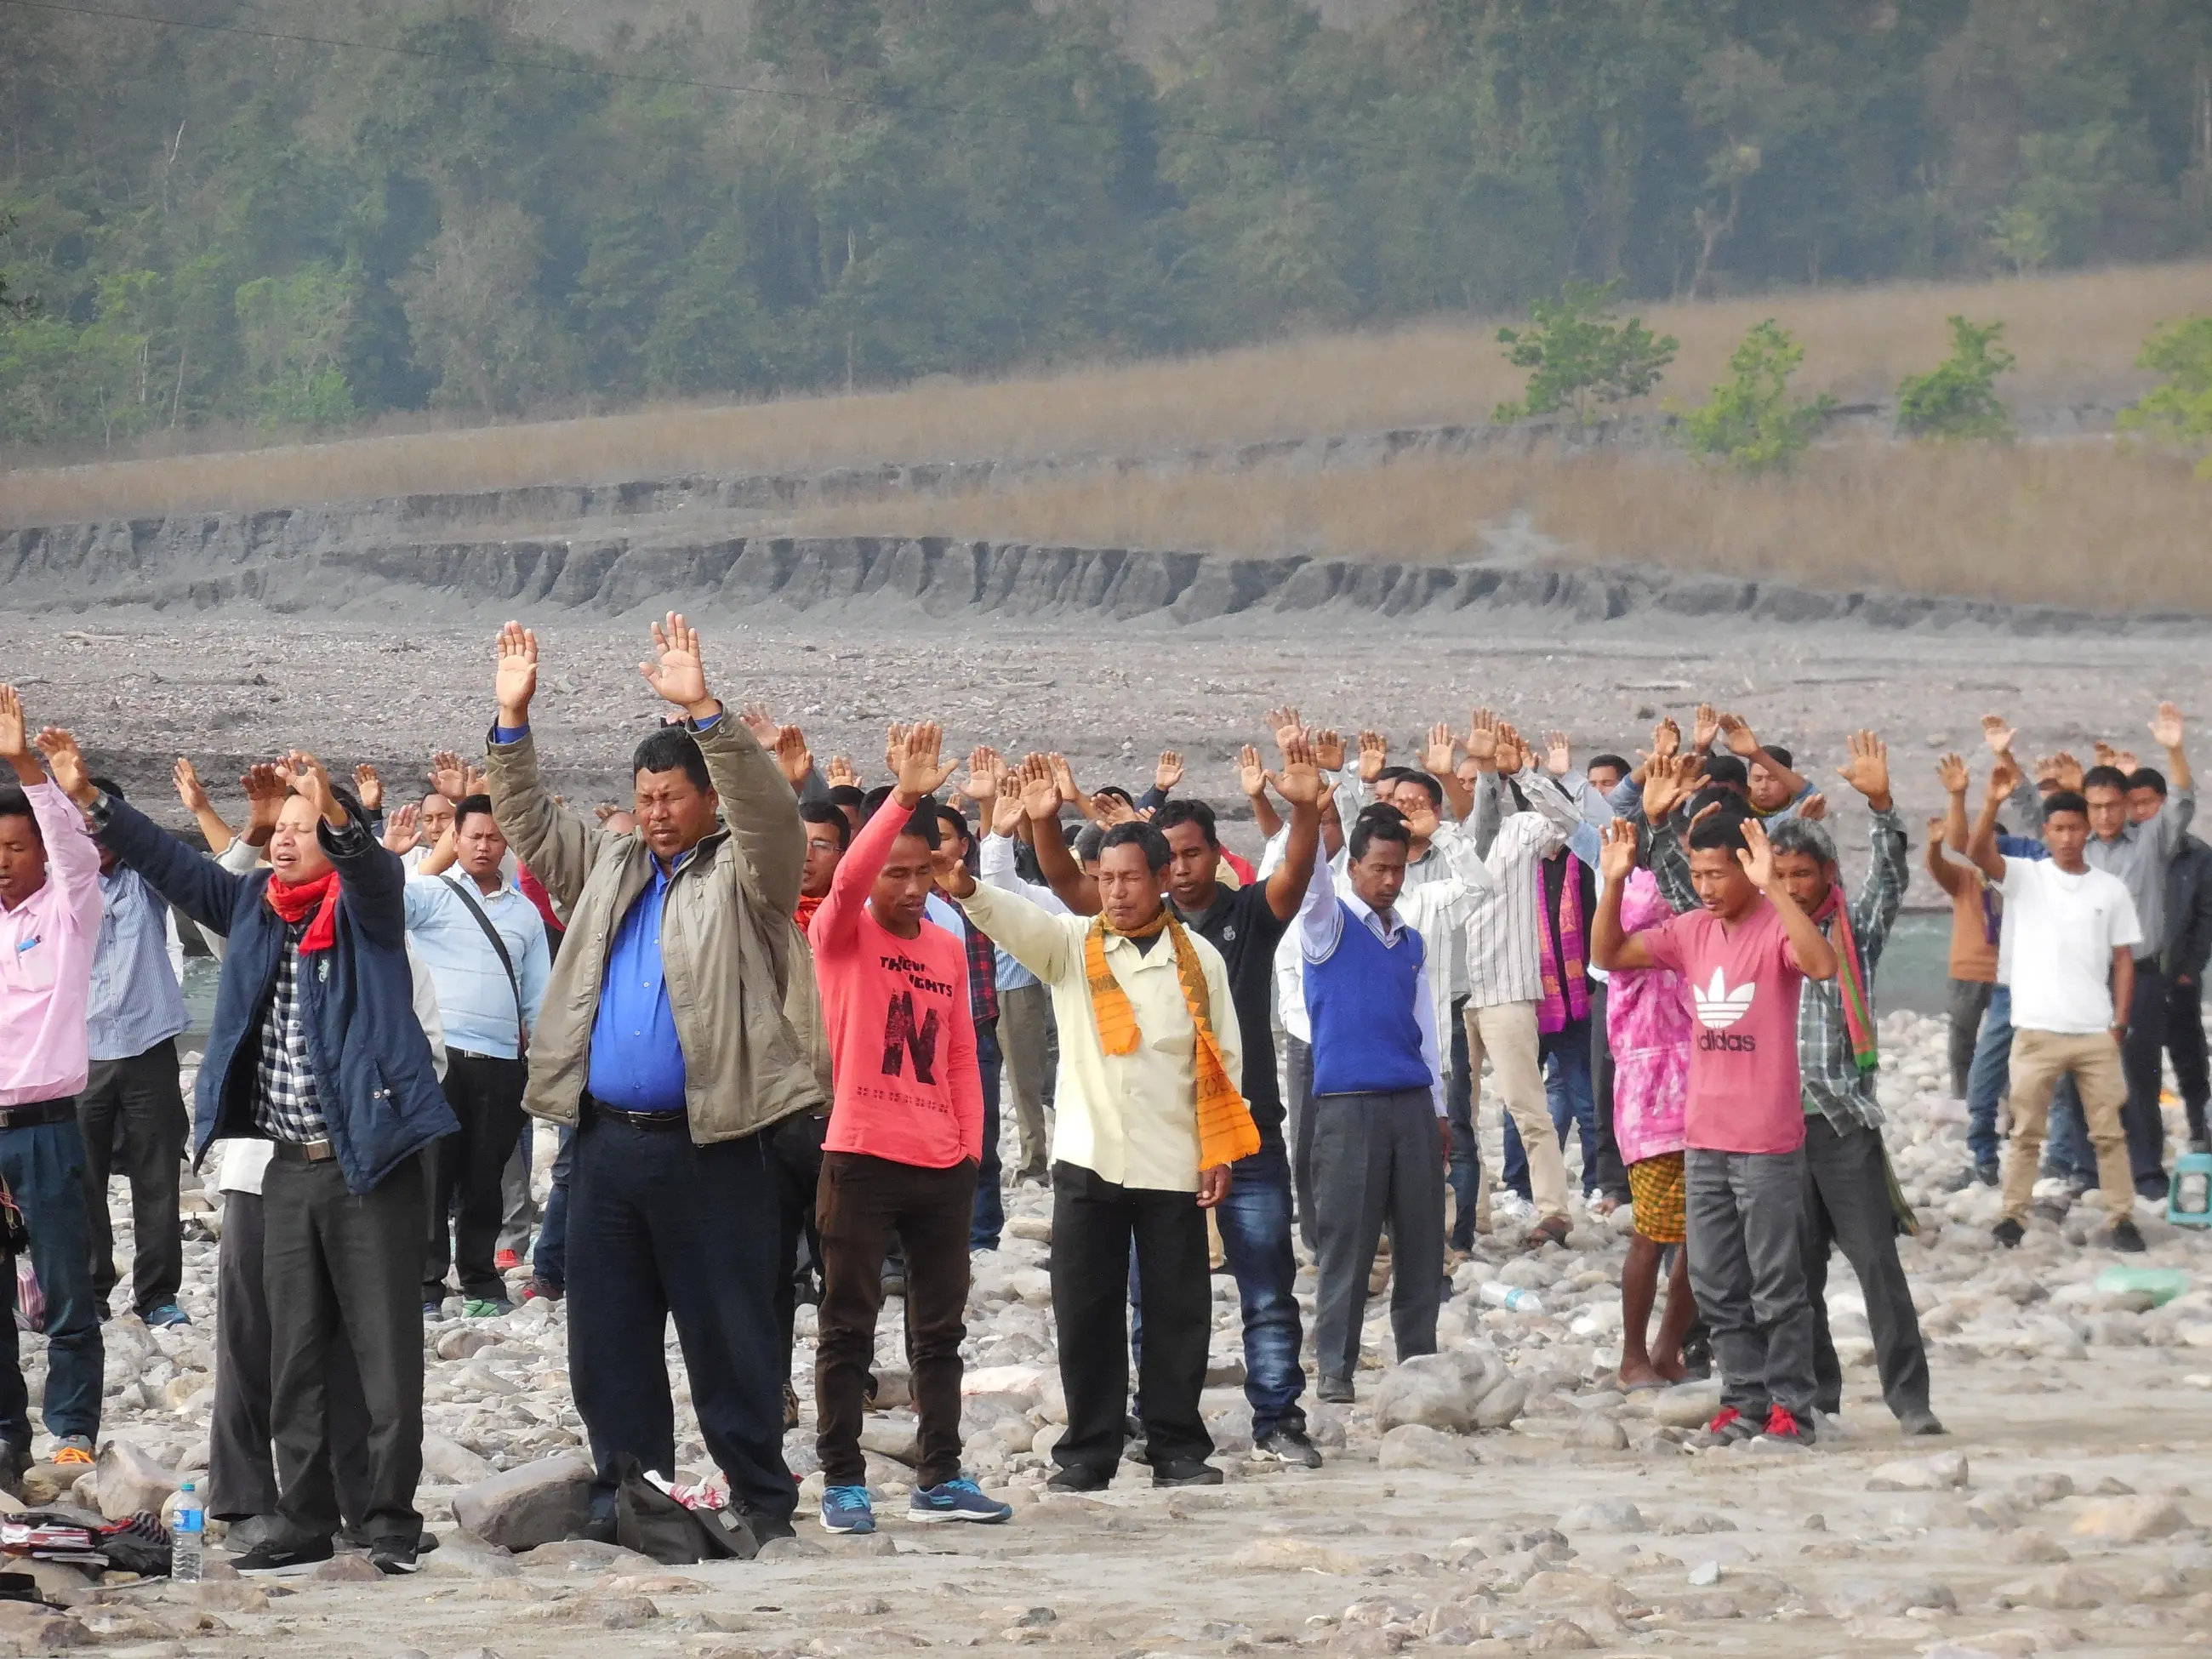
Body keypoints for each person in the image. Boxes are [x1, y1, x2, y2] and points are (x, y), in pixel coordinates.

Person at [78, 736, 453, 1575]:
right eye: (280, 827)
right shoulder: (254, 907)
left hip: (368, 1166)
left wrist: (339, 813)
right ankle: (305, 1517)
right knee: (294, 1355)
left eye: (301, 827)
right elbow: (171, 867)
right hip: (285, 1166)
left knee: (384, 1356)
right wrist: (95, 803)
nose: (283, 839)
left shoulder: (368, 917)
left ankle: (389, 1521)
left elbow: (374, 874)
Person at [482, 613, 818, 1543]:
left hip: (714, 1145)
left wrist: (706, 711)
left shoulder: (749, 875)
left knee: (730, 1336)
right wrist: (512, 721)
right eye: (645, 797)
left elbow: (771, 814)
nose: (658, 811)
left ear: (707, 799)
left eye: (673, 796)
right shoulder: (611, 862)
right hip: (605, 1146)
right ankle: (633, 1495)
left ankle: (761, 1500)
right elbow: (525, 819)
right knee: (608, 1337)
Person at [938, 774, 1254, 1493]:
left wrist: (1219, 1151)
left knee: (1177, 1312)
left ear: (1161, 880)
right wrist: (968, 888)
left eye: (1128, 878)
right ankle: (1088, 1452)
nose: (1115, 892)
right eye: (1105, 879)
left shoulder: (1198, 961)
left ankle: (1177, 1447)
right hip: (1088, 1160)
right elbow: (1014, 921)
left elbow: (1223, 1061)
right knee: (1086, 1314)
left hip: (1173, 1160)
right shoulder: (1072, 946)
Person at [807, 721, 1008, 1535]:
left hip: (939, 1164)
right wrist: (902, 797)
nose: (915, 887)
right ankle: (843, 1480)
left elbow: (961, 1051)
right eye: (898, 873)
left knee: (939, 1331)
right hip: (859, 1153)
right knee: (847, 1324)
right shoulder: (840, 931)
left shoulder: (946, 949)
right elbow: (848, 877)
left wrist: (969, 1149)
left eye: (924, 872)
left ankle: (941, 1474)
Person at [1593, 811, 1839, 1447]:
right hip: (1702, 1137)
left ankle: (1792, 1408)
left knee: (1777, 1283)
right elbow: (1609, 955)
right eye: (1697, 874)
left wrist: (1774, 887)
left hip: (1767, 1140)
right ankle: (1743, 1401)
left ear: (1746, 869)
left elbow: (1822, 966)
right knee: (1715, 1282)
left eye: (1717, 874)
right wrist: (1614, 882)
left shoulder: (1775, 925)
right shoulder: (1690, 931)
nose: (1704, 887)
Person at [1764, 733, 1942, 1438]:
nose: (1792, 887)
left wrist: (1882, 806)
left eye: (1803, 875)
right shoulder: (1760, 935)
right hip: (1776, 1131)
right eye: (1781, 875)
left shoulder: (1853, 932)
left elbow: (1891, 880)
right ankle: (1819, 1400)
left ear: (1826, 875)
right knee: (1797, 1276)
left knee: (1877, 1266)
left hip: (1842, 1126)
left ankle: (1910, 1400)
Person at [1964, 761, 2146, 1251]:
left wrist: (2119, 1021)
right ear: (2045, 832)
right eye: (2059, 829)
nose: (2067, 838)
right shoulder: (2026, 877)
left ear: (2088, 830)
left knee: (2108, 1131)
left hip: (2093, 1031)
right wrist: (1991, 801)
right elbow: (1977, 851)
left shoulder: (2110, 889)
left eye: (2075, 828)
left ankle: (2121, 1216)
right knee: (2026, 1130)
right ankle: (2013, 1214)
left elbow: (2123, 959)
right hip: (2037, 1029)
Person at [1300, 808, 1447, 1404]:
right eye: (1379, 868)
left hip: (1410, 1102)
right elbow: (1310, 879)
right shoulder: (1327, 926)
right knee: (1348, 1243)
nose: (1389, 880)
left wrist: (1439, 1107)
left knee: (1421, 1242)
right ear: (1353, 867)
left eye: (1398, 869)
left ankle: (1418, 1359)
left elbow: (1425, 1028)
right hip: (1348, 1105)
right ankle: (1335, 1369)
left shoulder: (1410, 942)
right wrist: (1308, 814)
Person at [0, 687, 107, 1485]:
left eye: (15, 846)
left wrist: (27, 768)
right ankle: (6, 1436)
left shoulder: (70, 914)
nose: (3, 858)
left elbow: (77, 852)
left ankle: (72, 1430)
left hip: (48, 1128)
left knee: (68, 1287)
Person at [401, 795, 550, 1319]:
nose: (484, 846)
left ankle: (481, 1281)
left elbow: (538, 995)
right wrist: (400, 855)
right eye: (474, 836)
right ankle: (425, 1285)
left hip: (502, 1062)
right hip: (439, 1060)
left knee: (486, 1176)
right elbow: (375, 905)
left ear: (506, 842)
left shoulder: (525, 913)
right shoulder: (429, 894)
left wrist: (542, 1058)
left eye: (493, 837)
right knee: (433, 1175)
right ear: (456, 840)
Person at [73, 774, 194, 1328]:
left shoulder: (146, 880)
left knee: (157, 1176)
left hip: (149, 1044)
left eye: (102, 824)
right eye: (81, 826)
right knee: (82, 1177)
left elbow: (175, 867)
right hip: (79, 1052)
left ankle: (158, 1295)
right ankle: (90, 1290)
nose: (94, 837)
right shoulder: (57, 885)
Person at [1463, 715, 1585, 1245]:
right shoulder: (1441, 842)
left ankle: (1553, 1211)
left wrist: (1524, 775)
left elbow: (1571, 823)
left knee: (1527, 1107)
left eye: (1483, 779)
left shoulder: (1521, 830)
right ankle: (1471, 1215)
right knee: (1459, 1114)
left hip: (1507, 991)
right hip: (1452, 997)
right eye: (1469, 780)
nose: (1478, 789)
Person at [2077, 707, 2194, 1198]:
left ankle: (2147, 1172)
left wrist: (2173, 749)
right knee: (2079, 1072)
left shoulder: (2149, 843)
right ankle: (2085, 1169)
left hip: (2141, 975)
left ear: (2127, 805)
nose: (2104, 815)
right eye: (2095, 807)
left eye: (2112, 805)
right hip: (2085, 977)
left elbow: (2182, 801)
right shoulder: (2075, 849)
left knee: (2139, 1073)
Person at [2135, 767, 2212, 1154]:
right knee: (2138, 1062)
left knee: (2190, 1058)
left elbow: (2207, 916)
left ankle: (2201, 1132)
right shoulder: (2131, 852)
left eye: (2147, 803)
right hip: (2135, 976)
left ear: (2164, 803)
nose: (2140, 811)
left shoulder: (2197, 855)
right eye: (2133, 804)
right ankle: (2143, 1143)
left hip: (2178, 975)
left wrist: (2190, 969)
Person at [1926, 756, 1998, 1103]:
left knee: (2005, 1040)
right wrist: (1934, 845)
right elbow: (1938, 867)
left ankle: (2004, 1099)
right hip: (1967, 971)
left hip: (2007, 974)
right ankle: (1962, 1096)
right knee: (1962, 1037)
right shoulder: (1965, 879)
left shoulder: (2017, 881)